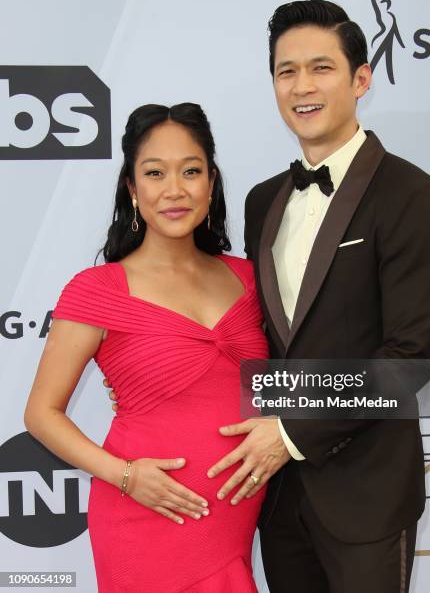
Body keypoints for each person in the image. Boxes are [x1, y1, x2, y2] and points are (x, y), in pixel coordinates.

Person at [206, 0, 430, 593]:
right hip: (277, 499)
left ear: (361, 78)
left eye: (321, 68)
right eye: (286, 71)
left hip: (365, 494)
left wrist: (290, 434)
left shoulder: (413, 195)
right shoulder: (262, 200)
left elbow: (408, 361)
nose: (302, 87)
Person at [24, 103, 269, 592]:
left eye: (191, 171)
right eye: (155, 173)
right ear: (133, 190)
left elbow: (276, 388)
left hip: (232, 523)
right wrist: (125, 475)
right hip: (142, 516)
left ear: (211, 182)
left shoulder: (250, 279)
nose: (174, 190)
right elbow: (40, 414)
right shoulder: (98, 289)